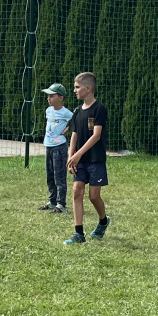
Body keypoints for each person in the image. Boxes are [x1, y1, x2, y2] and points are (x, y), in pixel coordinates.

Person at [64, 72, 110, 244]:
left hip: (95, 159)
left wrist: (78, 154)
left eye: (77, 87)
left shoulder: (99, 109)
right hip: (80, 161)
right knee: (77, 192)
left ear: (88, 88)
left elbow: (96, 135)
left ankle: (103, 221)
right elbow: (74, 136)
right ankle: (79, 234)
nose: (74, 90)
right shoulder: (77, 111)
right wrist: (71, 158)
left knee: (93, 196)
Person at [40, 83, 71, 213]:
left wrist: (67, 130)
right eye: (48, 96)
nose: (49, 98)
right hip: (49, 146)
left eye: (52, 96)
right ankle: (52, 201)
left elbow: (76, 121)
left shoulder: (65, 113)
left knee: (59, 176)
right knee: (50, 175)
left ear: (61, 98)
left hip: (59, 148)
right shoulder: (48, 110)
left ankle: (61, 204)